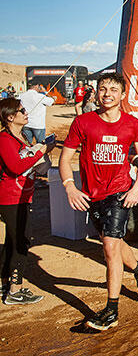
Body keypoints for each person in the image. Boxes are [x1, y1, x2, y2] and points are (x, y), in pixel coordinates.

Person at [59, 73, 138, 331]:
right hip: (93, 195)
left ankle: (111, 311)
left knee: (110, 248)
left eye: (113, 89)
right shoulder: (83, 122)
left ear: (122, 95)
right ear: (96, 92)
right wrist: (70, 187)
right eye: (103, 89)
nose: (107, 94)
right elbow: (65, 158)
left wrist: (136, 189)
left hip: (120, 193)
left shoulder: (133, 124)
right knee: (113, 241)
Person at [0, 98, 55, 305]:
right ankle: (15, 290)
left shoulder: (20, 136)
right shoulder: (4, 139)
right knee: (21, 241)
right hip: (11, 197)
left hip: (22, 195)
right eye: (21, 110)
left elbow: (27, 163)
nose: (26, 113)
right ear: (9, 117)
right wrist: (40, 151)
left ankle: (4, 282)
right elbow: (15, 167)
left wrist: (41, 154)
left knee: (13, 240)